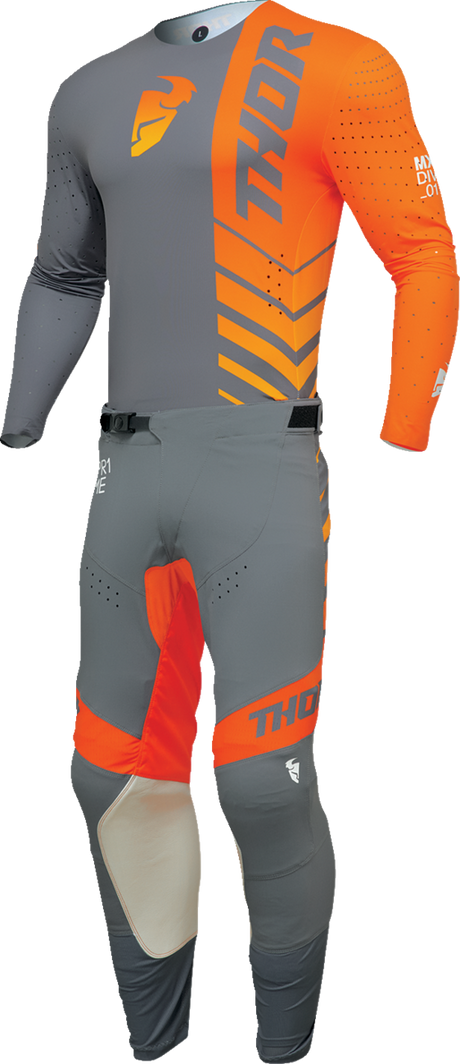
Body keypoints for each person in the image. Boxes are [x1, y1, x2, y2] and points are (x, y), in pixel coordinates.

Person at [1, 4, 458, 1062]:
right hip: (125, 468)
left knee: (261, 777)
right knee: (106, 773)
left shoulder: (338, 64)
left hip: (263, 458)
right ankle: (154, 1043)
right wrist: (24, 414)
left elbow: (421, 249)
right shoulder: (86, 90)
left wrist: (405, 424)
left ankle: (284, 1046)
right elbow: (64, 270)